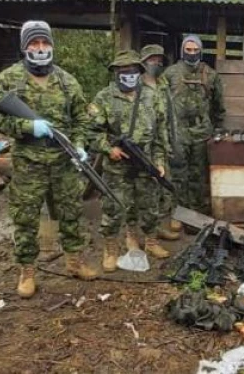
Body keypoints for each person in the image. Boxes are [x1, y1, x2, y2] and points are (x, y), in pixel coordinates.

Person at [0, 21, 98, 299]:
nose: (40, 48)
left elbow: (82, 117)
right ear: (24, 47)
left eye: (44, 43)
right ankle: (27, 271)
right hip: (28, 162)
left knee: (71, 212)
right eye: (34, 43)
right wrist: (26, 128)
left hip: (63, 161)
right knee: (26, 218)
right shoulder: (8, 79)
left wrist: (80, 145)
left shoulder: (67, 80)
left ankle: (74, 261)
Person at [88, 50, 170, 272]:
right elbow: (90, 132)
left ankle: (150, 241)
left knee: (150, 205)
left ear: (140, 72)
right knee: (113, 208)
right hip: (117, 165)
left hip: (146, 161)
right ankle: (111, 249)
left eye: (133, 71)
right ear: (115, 73)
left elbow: (161, 133)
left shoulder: (152, 97)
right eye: (123, 72)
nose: (128, 75)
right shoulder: (104, 98)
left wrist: (160, 161)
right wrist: (108, 148)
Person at [162, 35, 226, 214]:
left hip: (201, 132)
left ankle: (196, 212)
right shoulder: (170, 73)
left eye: (195, 50)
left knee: (198, 174)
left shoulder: (211, 74)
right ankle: (178, 212)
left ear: (201, 51)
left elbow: (218, 106)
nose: (192, 53)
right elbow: (160, 103)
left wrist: (217, 129)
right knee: (178, 173)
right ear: (183, 50)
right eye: (188, 50)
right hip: (178, 131)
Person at [140, 44, 182, 240]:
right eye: (151, 59)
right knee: (145, 188)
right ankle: (142, 231)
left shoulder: (164, 84)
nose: (155, 63)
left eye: (158, 60)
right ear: (143, 62)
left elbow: (171, 115)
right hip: (142, 145)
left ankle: (160, 225)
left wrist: (173, 139)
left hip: (161, 142)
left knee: (163, 184)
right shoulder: (135, 85)